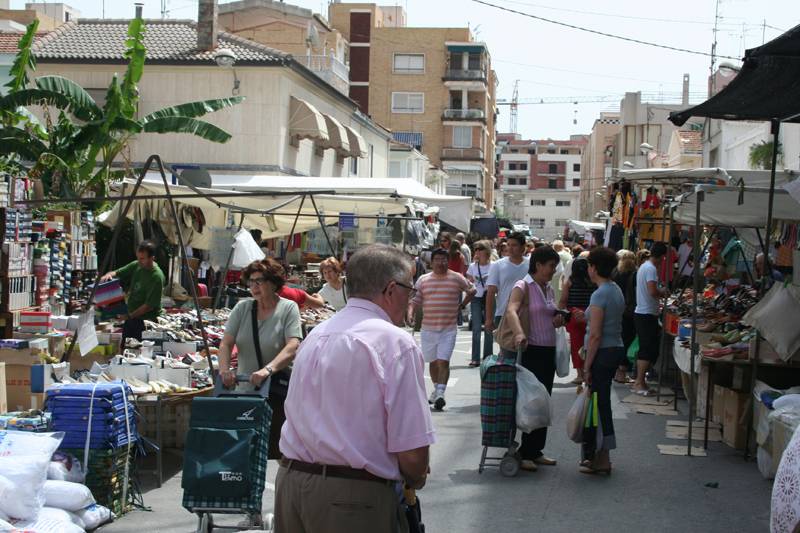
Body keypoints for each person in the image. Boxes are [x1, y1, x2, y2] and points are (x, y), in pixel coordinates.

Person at [276, 245, 434, 533]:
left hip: (291, 484)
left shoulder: (317, 334)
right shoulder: (394, 342)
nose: (411, 298)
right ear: (390, 289)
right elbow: (413, 452)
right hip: (352, 496)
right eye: (409, 289)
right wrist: (417, 475)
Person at [217, 258, 302, 458]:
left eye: (259, 281)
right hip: (246, 392)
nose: (253, 287)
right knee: (243, 453)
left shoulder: (288, 308)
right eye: (250, 282)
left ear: (273, 282)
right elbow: (226, 343)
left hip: (276, 393)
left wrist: (267, 370)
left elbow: (293, 345)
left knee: (274, 451)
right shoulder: (242, 308)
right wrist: (224, 369)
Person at [504, 245, 564, 471]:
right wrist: (519, 332)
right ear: (538, 264)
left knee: (544, 400)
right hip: (532, 350)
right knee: (532, 402)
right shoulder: (523, 286)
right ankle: (525, 452)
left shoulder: (547, 288)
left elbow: (550, 313)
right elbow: (511, 310)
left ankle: (536, 450)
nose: (553, 270)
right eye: (551, 266)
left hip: (548, 350)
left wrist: (557, 319)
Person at [409, 249, 475, 410]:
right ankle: (437, 390)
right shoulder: (423, 280)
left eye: (444, 259)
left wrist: (463, 305)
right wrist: (410, 314)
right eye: (437, 259)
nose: (441, 262)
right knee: (432, 362)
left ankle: (440, 393)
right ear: (432, 262)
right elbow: (415, 301)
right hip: (428, 328)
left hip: (448, 329)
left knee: (443, 361)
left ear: (448, 261)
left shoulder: (456, 277)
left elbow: (472, 290)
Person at [581, 246, 626, 475]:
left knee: (600, 406)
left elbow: (596, 334)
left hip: (603, 352)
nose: (588, 269)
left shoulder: (600, 294)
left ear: (594, 268)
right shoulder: (615, 289)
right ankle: (599, 455)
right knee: (601, 404)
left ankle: (603, 457)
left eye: (589, 265)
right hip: (614, 349)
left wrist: (586, 366)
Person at [101, 240, 165, 346]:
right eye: (138, 258)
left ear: (152, 258)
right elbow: (118, 272)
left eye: (142, 259)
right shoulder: (137, 265)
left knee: (140, 353)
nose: (139, 261)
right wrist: (107, 276)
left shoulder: (156, 277)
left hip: (146, 322)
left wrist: (129, 316)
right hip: (131, 317)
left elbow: (149, 306)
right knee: (125, 349)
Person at [633, 242, 669, 395]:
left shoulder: (644, 266)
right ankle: (639, 382)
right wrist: (663, 291)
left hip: (644, 312)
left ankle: (640, 381)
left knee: (648, 348)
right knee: (647, 349)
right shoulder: (651, 269)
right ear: (662, 257)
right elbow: (652, 291)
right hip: (646, 313)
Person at [559, 257, 596, 385]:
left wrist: (560, 312)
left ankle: (580, 374)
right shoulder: (593, 282)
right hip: (590, 314)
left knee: (576, 346)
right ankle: (588, 371)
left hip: (574, 315)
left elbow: (563, 299)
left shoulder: (569, 282)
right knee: (589, 345)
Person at [485, 232, 529, 335]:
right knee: (506, 349)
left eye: (514, 245)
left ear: (523, 247)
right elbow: (491, 293)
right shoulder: (498, 265)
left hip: (527, 314)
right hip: (503, 314)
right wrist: (489, 319)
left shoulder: (531, 265)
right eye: (508, 245)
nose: (510, 248)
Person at [466, 240, 493, 367]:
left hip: (489, 297)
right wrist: (470, 285)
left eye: (480, 249)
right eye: (476, 249)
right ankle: (475, 358)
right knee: (476, 328)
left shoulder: (494, 265)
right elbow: (468, 283)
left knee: (489, 328)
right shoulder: (472, 266)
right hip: (476, 298)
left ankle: (488, 358)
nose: (477, 251)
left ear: (486, 251)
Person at [613, 249, 637, 383]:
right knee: (627, 340)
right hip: (629, 312)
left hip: (617, 310)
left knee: (619, 339)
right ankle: (622, 372)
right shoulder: (634, 274)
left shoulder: (615, 273)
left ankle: (617, 371)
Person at [551, 239, 572, 304]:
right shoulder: (569, 256)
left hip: (555, 283)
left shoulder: (553, 256)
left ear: (553, 247)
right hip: (567, 282)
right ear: (563, 247)